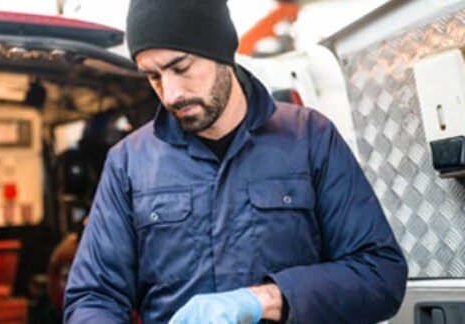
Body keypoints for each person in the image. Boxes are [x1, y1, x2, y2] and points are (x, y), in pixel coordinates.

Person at [63, 0, 408, 323]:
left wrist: (267, 299)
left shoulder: (310, 138)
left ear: (221, 51)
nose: (170, 94)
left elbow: (379, 274)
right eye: (153, 76)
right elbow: (93, 298)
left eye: (181, 67)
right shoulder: (129, 163)